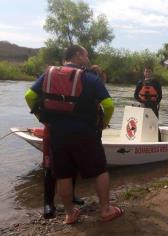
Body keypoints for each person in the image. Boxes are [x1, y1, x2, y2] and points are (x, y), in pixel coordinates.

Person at [24, 45, 123, 224]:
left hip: (57, 134)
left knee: (63, 175)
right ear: (77, 55)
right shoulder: (90, 78)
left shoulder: (48, 74)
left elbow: (29, 95)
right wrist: (103, 123)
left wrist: (42, 118)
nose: (88, 58)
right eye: (86, 55)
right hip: (85, 133)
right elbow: (108, 104)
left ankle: (70, 214)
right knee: (100, 170)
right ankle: (106, 210)